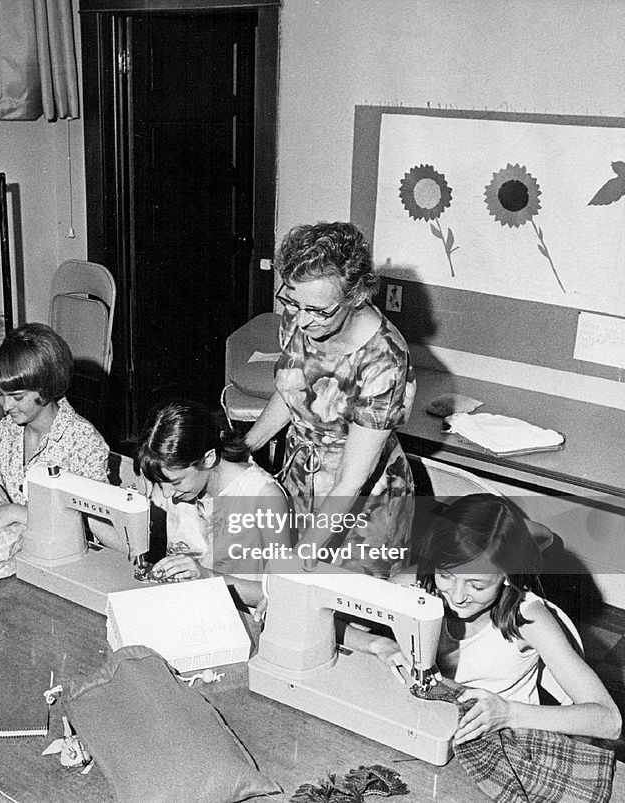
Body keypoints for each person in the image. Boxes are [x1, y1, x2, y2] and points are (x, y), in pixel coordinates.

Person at [349, 494, 621, 745]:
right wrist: (379, 645)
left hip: (504, 739)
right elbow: (320, 618)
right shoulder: (416, 583)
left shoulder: (529, 618)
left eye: (477, 586)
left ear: (506, 576)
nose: (457, 596)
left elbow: (609, 721)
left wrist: (508, 713)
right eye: (446, 575)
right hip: (427, 724)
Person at [244, 221, 415, 577]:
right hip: (302, 480)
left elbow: (352, 480)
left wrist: (300, 557)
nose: (303, 321)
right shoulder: (301, 313)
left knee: (338, 608)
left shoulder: (384, 360)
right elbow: (294, 389)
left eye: (319, 311)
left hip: (364, 503)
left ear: (355, 297)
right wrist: (246, 444)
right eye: (292, 302)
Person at [0, 322, 109, 578]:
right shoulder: (7, 430)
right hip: (20, 545)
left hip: (63, 559)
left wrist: (14, 512)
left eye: (17, 397)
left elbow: (93, 525)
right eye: (0, 394)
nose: (6, 405)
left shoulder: (84, 442)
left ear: (45, 389)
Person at [136, 400, 289, 608]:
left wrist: (206, 577)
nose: (167, 494)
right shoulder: (173, 476)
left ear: (208, 458)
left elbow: (282, 593)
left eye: (175, 482)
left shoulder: (265, 497)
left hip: (241, 616)